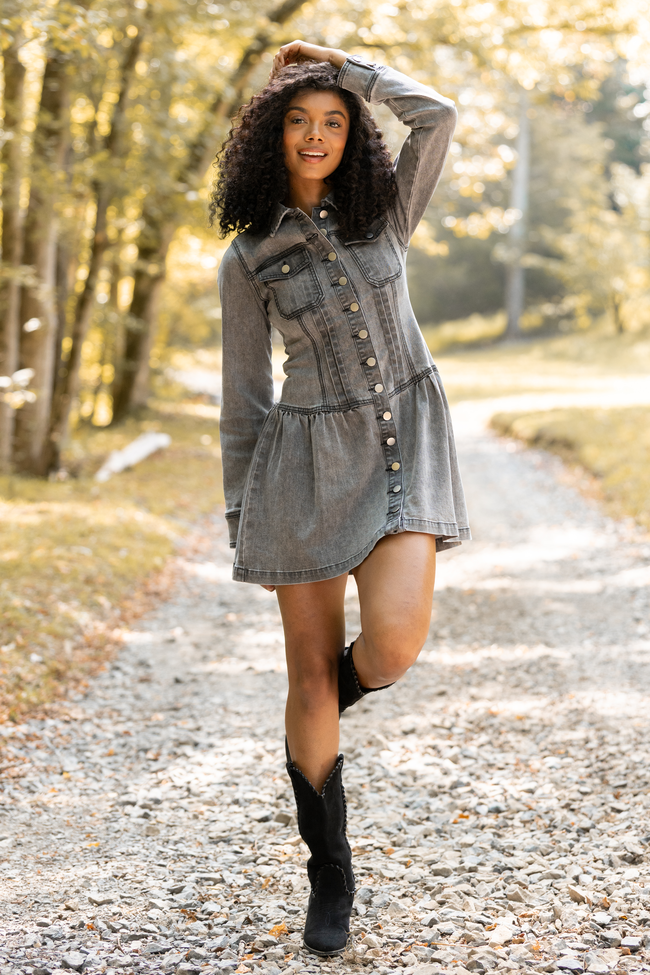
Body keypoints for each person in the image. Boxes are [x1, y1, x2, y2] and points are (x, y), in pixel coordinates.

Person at [212, 40, 470, 956]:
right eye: (298, 119)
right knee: (309, 673)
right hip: (302, 473)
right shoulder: (248, 260)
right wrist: (243, 513)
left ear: (352, 133)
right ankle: (331, 871)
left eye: (332, 122)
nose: (316, 135)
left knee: (394, 646)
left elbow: (437, 114)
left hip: (403, 455)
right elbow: (243, 399)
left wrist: (342, 66)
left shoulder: (388, 212)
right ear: (270, 137)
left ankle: (315, 716)